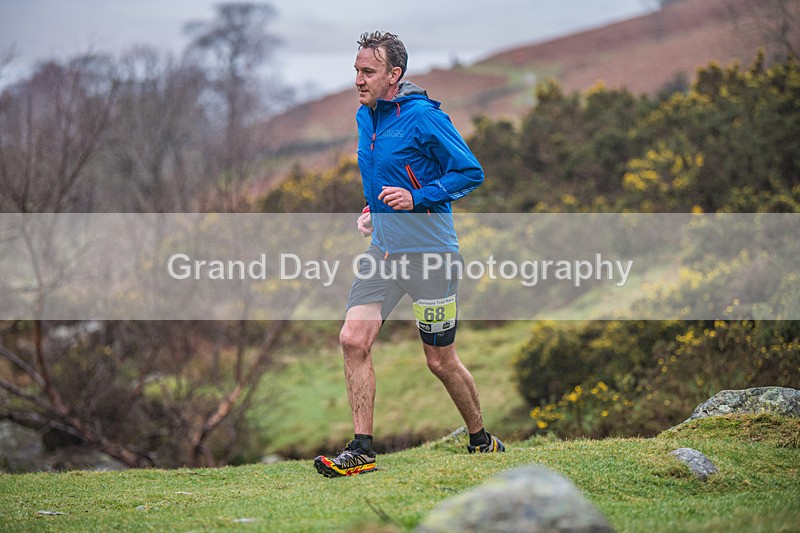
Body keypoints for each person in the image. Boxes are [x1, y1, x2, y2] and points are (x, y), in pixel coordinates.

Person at [314, 31, 504, 478]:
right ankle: (362, 450)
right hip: (384, 252)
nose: (358, 80)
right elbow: (382, 176)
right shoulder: (366, 117)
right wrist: (373, 212)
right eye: (356, 71)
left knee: (439, 361)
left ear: (394, 74)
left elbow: (470, 172)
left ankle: (480, 438)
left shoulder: (423, 117)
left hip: (431, 255)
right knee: (352, 339)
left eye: (368, 71)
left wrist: (416, 197)